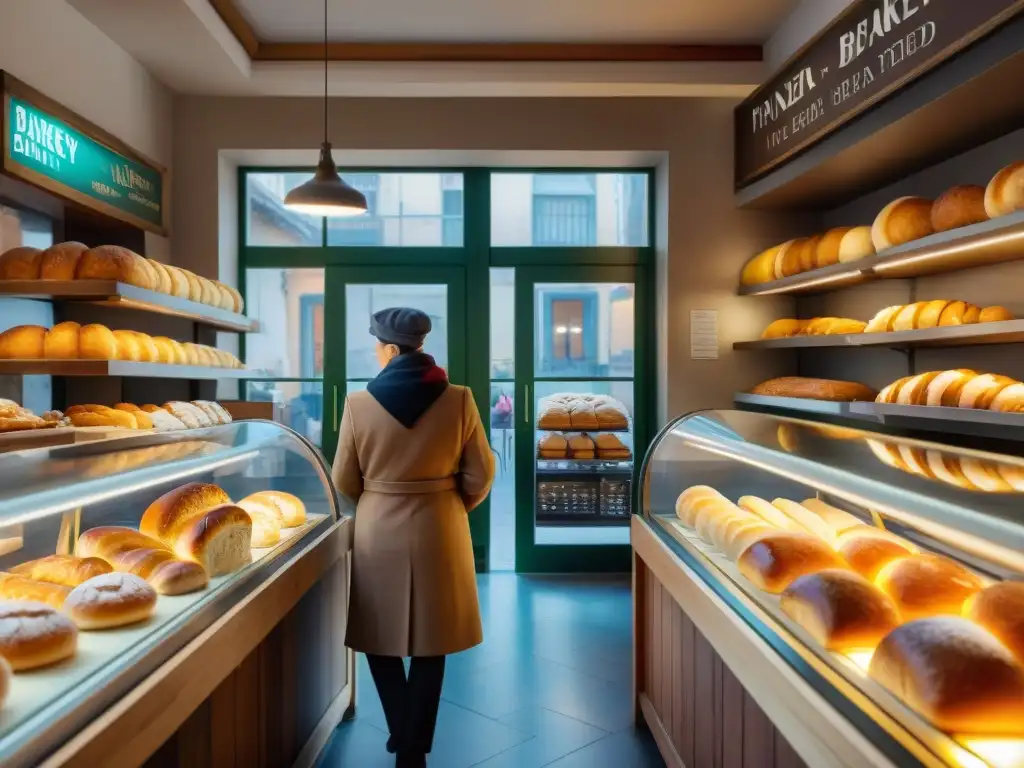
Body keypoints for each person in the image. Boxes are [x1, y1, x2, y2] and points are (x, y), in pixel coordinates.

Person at [333, 307, 495, 768]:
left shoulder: (359, 404)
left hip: (379, 525)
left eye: (375, 346)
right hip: (439, 524)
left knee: (377, 635)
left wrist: (378, 499)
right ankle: (413, 745)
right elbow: (481, 473)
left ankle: (403, 733)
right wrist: (451, 503)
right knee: (433, 638)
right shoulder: (460, 398)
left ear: (388, 349)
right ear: (420, 346)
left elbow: (344, 479)